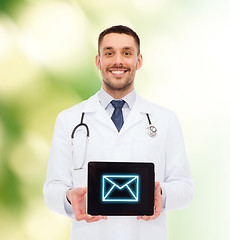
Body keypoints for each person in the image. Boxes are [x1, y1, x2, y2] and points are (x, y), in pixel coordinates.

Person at [43, 25, 194, 240]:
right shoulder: (69, 119)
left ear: (138, 61)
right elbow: (52, 188)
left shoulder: (165, 120)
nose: (118, 61)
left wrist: (162, 195)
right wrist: (68, 198)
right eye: (109, 53)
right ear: (98, 61)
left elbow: (185, 187)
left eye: (127, 53)